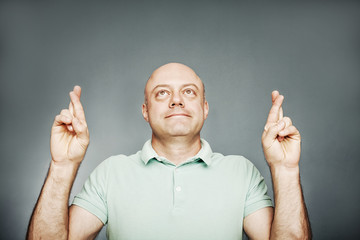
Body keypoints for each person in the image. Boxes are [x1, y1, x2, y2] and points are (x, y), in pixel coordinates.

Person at [27, 63, 311, 239]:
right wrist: (63, 165)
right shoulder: (111, 173)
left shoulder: (242, 172)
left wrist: (285, 171)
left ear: (205, 108)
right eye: (162, 93)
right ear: (145, 111)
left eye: (189, 92)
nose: (176, 100)